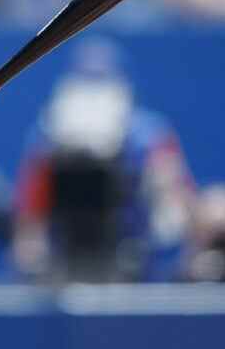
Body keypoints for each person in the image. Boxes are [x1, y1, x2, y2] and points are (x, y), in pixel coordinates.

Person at [12, 39, 194, 283]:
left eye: (100, 82)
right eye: (86, 82)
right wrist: (32, 253)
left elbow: (175, 212)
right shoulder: (47, 137)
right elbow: (30, 219)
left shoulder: (149, 137)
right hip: (63, 261)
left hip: (132, 254)